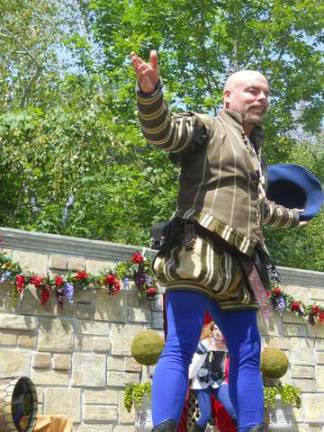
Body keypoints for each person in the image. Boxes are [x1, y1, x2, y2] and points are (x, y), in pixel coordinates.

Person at [130, 49, 307, 432]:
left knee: (248, 354)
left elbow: (260, 210)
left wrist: (296, 217)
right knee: (180, 344)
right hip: (198, 252)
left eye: (265, 93)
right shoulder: (206, 127)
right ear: (228, 96)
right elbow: (163, 131)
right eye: (251, 91)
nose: (260, 97)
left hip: (243, 265)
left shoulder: (255, 154)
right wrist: (151, 93)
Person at [189, 321, 236, 431]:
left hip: (218, 381)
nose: (217, 332)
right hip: (202, 382)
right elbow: (195, 362)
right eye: (215, 329)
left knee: (232, 409)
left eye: (220, 329)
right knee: (205, 415)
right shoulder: (205, 343)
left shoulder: (227, 345)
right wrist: (188, 377)